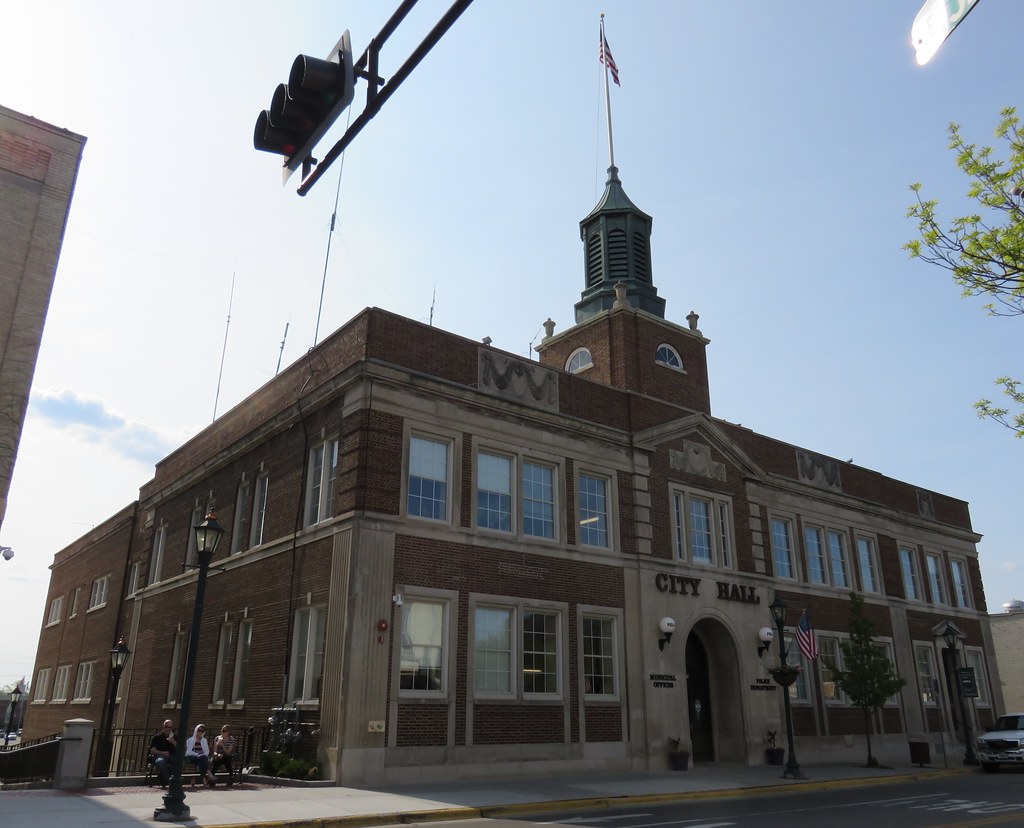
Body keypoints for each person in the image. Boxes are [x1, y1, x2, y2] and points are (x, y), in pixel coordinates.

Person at [149, 720, 176, 786]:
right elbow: (152, 750)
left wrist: (173, 742)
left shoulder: (175, 737)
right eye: (167, 727)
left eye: (170, 727)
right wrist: (163, 753)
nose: (168, 729)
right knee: (160, 762)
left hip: (172, 756)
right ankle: (171, 782)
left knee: (181, 763)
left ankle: (164, 777)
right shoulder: (157, 737)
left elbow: (182, 749)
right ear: (163, 727)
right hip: (161, 755)